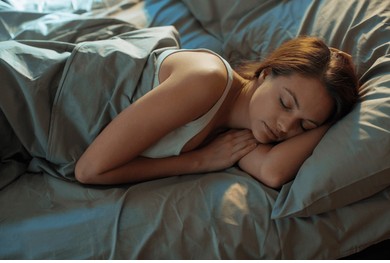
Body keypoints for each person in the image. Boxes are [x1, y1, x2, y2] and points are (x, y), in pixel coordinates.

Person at [74, 36, 359, 188]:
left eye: (304, 126)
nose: (285, 127)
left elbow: (273, 172)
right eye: (285, 103)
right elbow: (89, 171)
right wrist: (199, 161)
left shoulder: (242, 131)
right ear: (266, 73)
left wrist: (332, 119)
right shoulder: (207, 80)